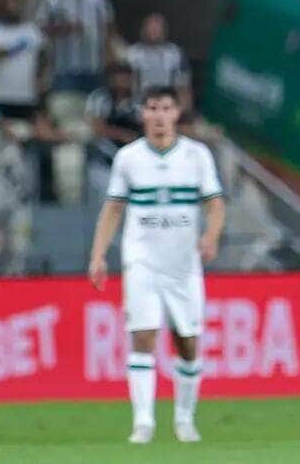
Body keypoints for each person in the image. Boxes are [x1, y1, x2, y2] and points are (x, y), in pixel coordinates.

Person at [86, 86, 226, 445]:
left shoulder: (196, 156)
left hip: (183, 265)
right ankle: (143, 422)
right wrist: (98, 255)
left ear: (176, 113)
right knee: (143, 335)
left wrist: (211, 236)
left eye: (166, 108)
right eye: (152, 108)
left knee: (188, 343)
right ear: (143, 114)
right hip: (142, 262)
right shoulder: (129, 158)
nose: (160, 115)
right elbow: (113, 208)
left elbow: (215, 203)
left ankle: (184, 418)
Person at [36, 0, 116, 94]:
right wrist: (63, 28)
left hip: (94, 65)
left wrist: (109, 53)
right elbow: (41, 25)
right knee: (65, 104)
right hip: (64, 67)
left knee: (95, 104)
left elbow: (107, 23)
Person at [0, 0, 47, 120]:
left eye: (18, 3)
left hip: (26, 96)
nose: (15, 7)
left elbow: (42, 56)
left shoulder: (32, 30)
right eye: (11, 3)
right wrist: (11, 49)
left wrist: (40, 79)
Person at [126, 13, 191, 102]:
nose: (153, 31)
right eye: (150, 27)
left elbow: (183, 86)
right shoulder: (132, 53)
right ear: (143, 30)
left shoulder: (175, 53)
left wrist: (184, 106)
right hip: (139, 103)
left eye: (157, 28)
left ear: (164, 31)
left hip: (167, 103)